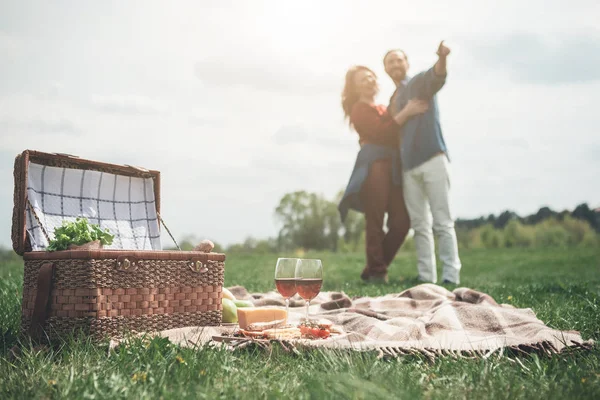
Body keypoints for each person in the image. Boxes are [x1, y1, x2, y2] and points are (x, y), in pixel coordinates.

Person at [338, 65, 429, 282]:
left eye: (371, 76)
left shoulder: (382, 107)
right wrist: (405, 113)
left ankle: (373, 269)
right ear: (355, 88)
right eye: (362, 79)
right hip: (375, 167)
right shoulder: (359, 109)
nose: (369, 80)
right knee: (375, 220)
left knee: (401, 222)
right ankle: (378, 273)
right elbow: (382, 132)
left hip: (395, 167)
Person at [384, 41, 462, 284]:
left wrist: (442, 57)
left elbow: (437, 76)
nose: (395, 64)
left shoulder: (418, 83)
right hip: (409, 168)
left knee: (442, 221)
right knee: (419, 225)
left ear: (406, 63)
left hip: (432, 159)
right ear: (386, 69)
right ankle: (426, 277)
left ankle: (451, 276)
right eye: (390, 62)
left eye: (399, 60)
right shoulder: (393, 100)